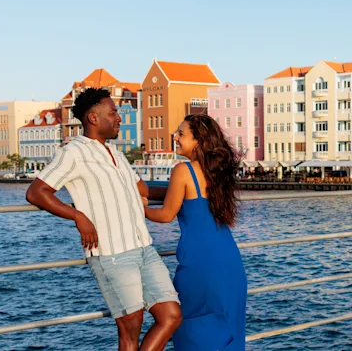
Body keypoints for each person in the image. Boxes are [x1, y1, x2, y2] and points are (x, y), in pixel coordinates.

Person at [26, 88, 182, 351]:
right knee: (131, 326)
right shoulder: (73, 152)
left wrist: (189, 191)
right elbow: (36, 192)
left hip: (144, 248)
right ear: (93, 118)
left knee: (171, 316)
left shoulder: (116, 154)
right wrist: (77, 215)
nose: (118, 118)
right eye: (113, 113)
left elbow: (143, 190)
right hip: (111, 253)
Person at [143, 114, 247, 350]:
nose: (175, 137)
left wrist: (139, 208)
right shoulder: (218, 173)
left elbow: (166, 215)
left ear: (199, 141)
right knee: (227, 331)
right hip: (229, 263)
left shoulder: (183, 171)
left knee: (192, 329)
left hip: (200, 266)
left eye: (181, 133)